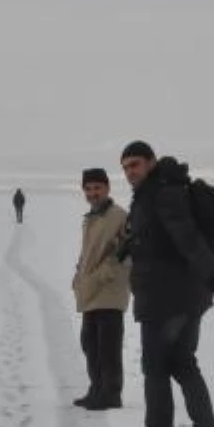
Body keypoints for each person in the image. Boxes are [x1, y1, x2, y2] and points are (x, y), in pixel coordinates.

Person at [118, 141, 214, 427]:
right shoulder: (159, 192)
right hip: (186, 296)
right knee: (183, 363)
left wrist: (212, 274)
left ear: (151, 162)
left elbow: (186, 236)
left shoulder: (161, 194)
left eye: (134, 164)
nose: (129, 172)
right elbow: (157, 239)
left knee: (155, 368)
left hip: (165, 299)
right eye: (125, 167)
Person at [71, 168, 130, 410]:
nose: (93, 193)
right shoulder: (90, 218)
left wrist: (101, 275)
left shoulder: (119, 215)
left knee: (108, 346)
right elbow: (87, 254)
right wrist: (79, 277)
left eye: (97, 188)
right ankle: (96, 389)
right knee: (89, 343)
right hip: (90, 289)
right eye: (88, 188)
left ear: (107, 188)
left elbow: (124, 251)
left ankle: (111, 394)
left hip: (109, 289)